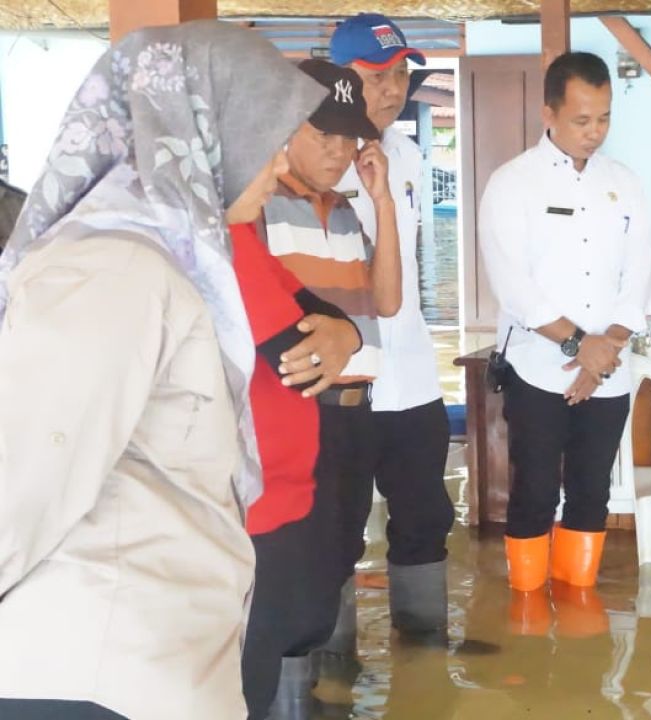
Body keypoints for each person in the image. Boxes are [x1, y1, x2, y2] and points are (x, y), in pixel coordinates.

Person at [0, 21, 326, 720]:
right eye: (269, 141)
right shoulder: (113, 269)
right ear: (206, 127)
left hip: (147, 663)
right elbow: (23, 478)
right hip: (93, 671)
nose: (279, 169)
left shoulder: (174, 261)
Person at [235, 59, 386, 720]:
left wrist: (346, 337)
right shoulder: (219, 234)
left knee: (324, 577)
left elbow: (352, 322)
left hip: (321, 440)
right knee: (255, 650)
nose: (273, 170)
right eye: (266, 148)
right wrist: (336, 337)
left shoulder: (242, 230)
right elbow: (295, 350)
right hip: (248, 492)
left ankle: (326, 695)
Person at [478, 52, 651, 608]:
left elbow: (638, 277)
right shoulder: (512, 184)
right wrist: (580, 346)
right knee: (532, 492)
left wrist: (604, 354)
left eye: (603, 118)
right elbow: (516, 288)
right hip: (536, 368)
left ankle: (579, 613)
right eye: (582, 120)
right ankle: (527, 614)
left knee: (590, 492)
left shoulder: (624, 184)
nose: (594, 132)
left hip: (608, 373)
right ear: (548, 112)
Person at [326, 12, 456, 646]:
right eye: (377, 75)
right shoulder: (315, 160)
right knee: (338, 528)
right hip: (346, 382)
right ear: (341, 79)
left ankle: (426, 651)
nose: (393, 87)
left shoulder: (406, 156)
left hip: (412, 377)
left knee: (426, 516)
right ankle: (330, 666)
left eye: (401, 73)